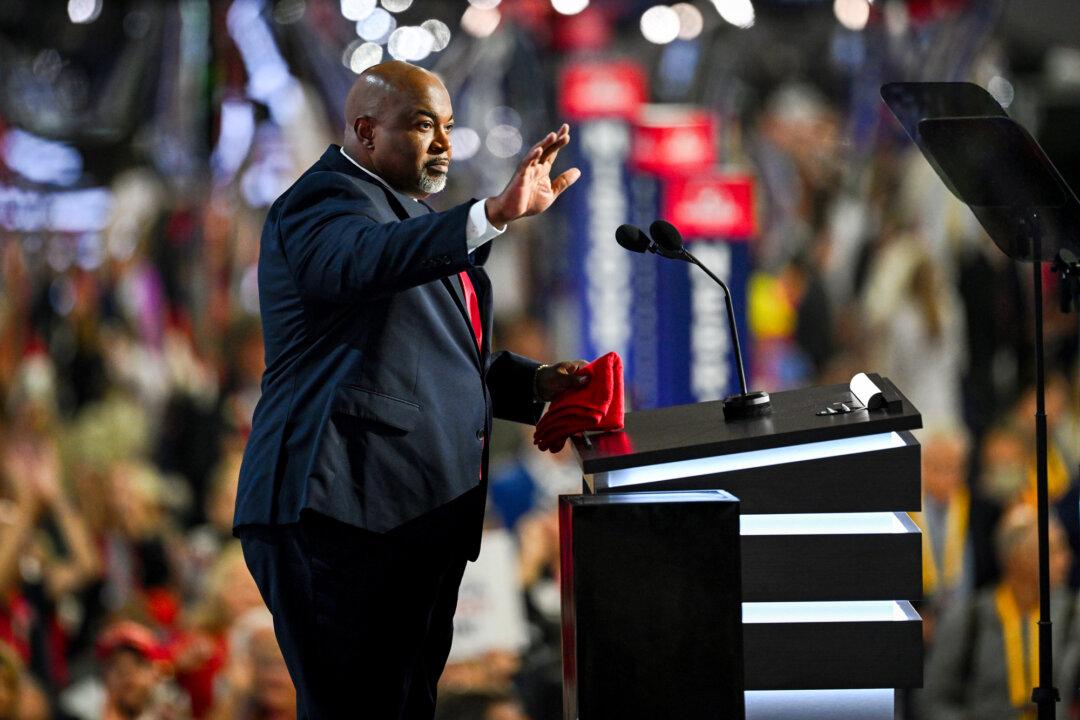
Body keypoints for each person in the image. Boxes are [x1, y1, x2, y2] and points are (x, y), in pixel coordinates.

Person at [234, 60, 585, 718]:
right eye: (424, 126)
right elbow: (363, 261)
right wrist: (490, 215)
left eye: (449, 126)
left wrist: (538, 383)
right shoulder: (326, 201)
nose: (445, 144)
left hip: (404, 516)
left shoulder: (408, 221)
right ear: (365, 132)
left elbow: (438, 361)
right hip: (338, 510)